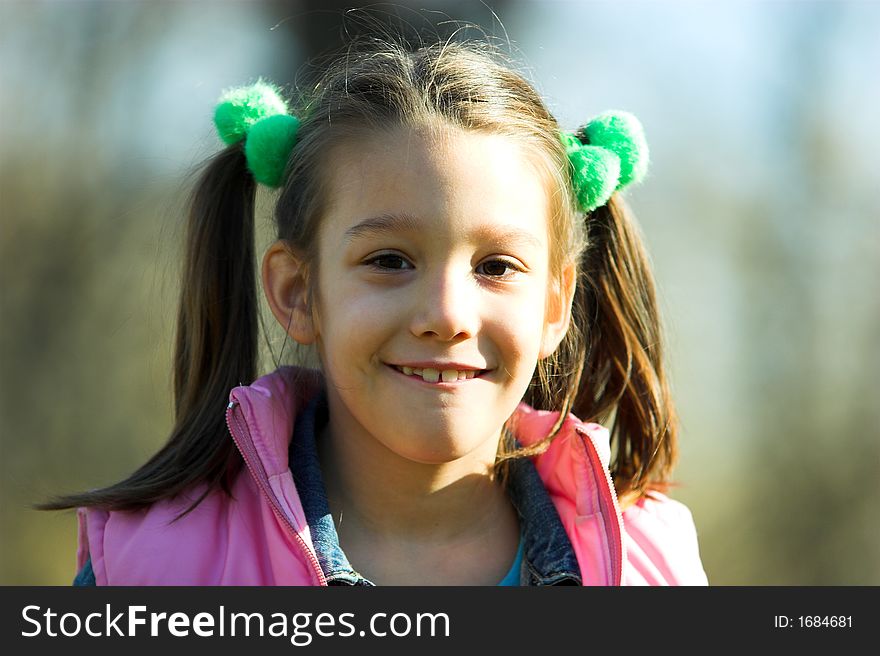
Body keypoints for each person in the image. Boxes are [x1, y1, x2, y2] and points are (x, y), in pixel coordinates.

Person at [48, 38, 708, 586]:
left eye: (496, 267)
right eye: (390, 260)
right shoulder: (150, 573)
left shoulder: (652, 565)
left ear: (555, 305)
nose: (447, 315)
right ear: (297, 292)